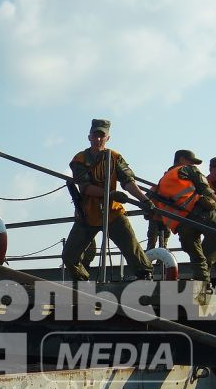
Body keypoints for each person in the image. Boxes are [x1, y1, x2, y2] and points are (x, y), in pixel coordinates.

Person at [61, 119, 153, 280]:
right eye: (95, 135)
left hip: (113, 213)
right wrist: (110, 193)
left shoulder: (115, 157)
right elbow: (85, 187)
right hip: (87, 213)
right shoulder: (80, 159)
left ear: (107, 138)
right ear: (89, 137)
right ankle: (83, 282)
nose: (98, 139)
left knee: (132, 248)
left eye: (101, 136)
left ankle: (145, 278)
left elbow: (128, 182)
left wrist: (144, 200)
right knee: (69, 256)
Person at [153, 150, 216, 283]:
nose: (193, 164)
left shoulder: (163, 180)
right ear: (181, 160)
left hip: (181, 224)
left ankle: (203, 286)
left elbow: (153, 210)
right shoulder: (187, 169)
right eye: (191, 161)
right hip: (199, 213)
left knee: (197, 258)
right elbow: (208, 192)